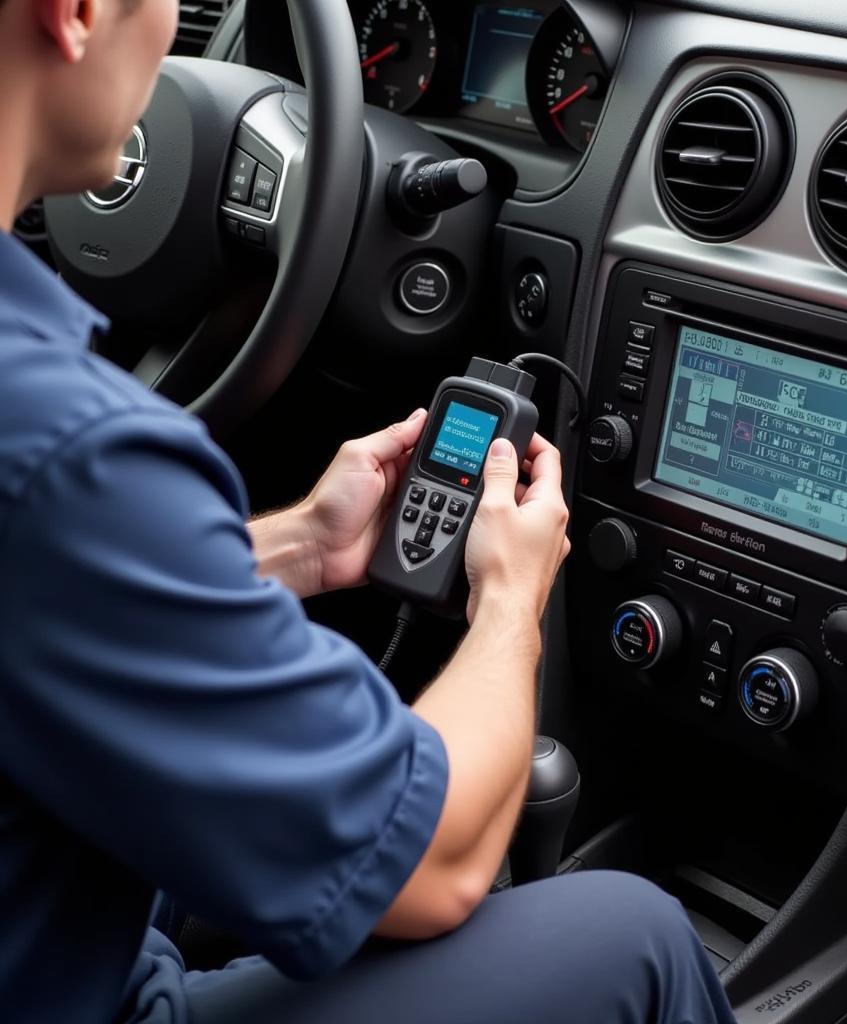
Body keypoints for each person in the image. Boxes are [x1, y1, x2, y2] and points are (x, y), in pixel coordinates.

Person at [0, 2, 738, 1022]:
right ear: (73, 14)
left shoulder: (56, 475)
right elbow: (431, 868)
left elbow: (46, 600)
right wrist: (510, 599)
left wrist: (297, 543)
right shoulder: (67, 455)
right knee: (638, 934)